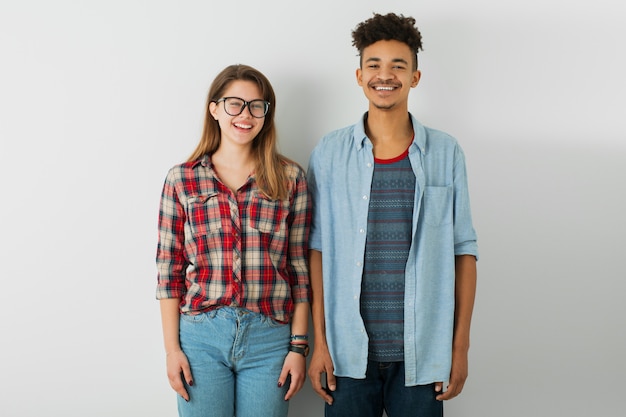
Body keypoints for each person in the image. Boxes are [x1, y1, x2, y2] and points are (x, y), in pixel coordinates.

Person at [306, 13, 479, 417]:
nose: (386, 75)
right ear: (359, 75)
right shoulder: (329, 154)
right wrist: (320, 343)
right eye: (374, 65)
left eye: (398, 65)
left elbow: (464, 251)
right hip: (347, 357)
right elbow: (315, 249)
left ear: (415, 77)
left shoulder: (445, 152)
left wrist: (459, 348)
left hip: (423, 358)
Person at [156, 64, 311, 417]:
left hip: (270, 341)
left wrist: (298, 348)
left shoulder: (289, 178)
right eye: (235, 104)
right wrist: (172, 350)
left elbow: (299, 270)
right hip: (200, 339)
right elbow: (169, 271)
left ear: (266, 114)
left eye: (257, 106)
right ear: (214, 109)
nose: (246, 114)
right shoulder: (182, 179)